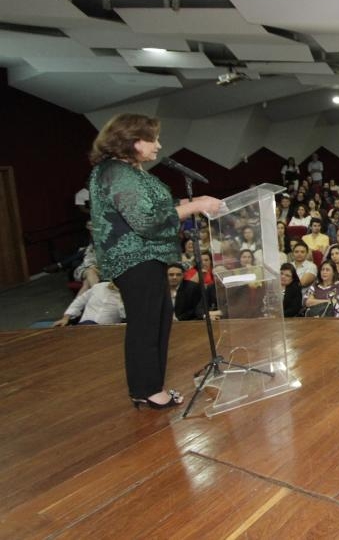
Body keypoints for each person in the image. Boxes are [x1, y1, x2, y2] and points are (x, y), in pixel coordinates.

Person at [88, 113, 222, 410]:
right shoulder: (117, 173)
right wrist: (197, 206)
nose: (158, 145)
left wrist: (191, 202)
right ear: (134, 142)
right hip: (136, 258)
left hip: (148, 258)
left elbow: (157, 207)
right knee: (146, 323)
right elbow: (146, 221)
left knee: (157, 319)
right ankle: (147, 390)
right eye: (153, 139)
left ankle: (148, 387)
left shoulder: (129, 171)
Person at [52, 281, 126, 326]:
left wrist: (122, 299)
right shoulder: (99, 287)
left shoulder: (129, 295)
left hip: (107, 330)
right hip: (85, 326)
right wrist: (65, 318)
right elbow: (79, 301)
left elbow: (125, 316)